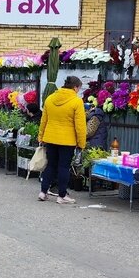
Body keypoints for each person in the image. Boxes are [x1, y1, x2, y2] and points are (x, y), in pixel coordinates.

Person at [37, 76, 87, 205]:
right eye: (79, 89)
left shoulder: (50, 98)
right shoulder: (77, 101)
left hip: (50, 138)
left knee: (51, 165)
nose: (78, 91)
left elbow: (44, 120)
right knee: (63, 167)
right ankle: (62, 195)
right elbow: (80, 126)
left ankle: (43, 192)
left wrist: (40, 136)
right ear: (75, 87)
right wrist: (81, 143)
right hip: (67, 140)